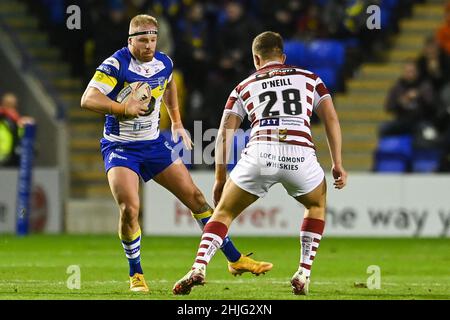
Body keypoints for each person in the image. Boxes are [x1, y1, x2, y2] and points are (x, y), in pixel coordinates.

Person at [80, 14, 272, 293]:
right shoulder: (116, 64)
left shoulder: (164, 62)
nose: (149, 45)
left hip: (154, 144)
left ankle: (235, 259)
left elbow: (168, 86)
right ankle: (136, 274)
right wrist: (122, 108)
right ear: (130, 40)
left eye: (153, 39)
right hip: (120, 146)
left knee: (196, 198)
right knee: (130, 209)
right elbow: (88, 99)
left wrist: (178, 123)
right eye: (143, 40)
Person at [173, 31, 347, 296]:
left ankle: (199, 267)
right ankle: (303, 272)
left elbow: (224, 134)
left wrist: (220, 178)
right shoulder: (311, 79)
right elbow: (331, 120)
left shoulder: (244, 86)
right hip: (299, 153)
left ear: (256, 58)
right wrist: (337, 163)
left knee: (222, 213)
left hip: (260, 152)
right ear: (283, 57)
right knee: (316, 205)